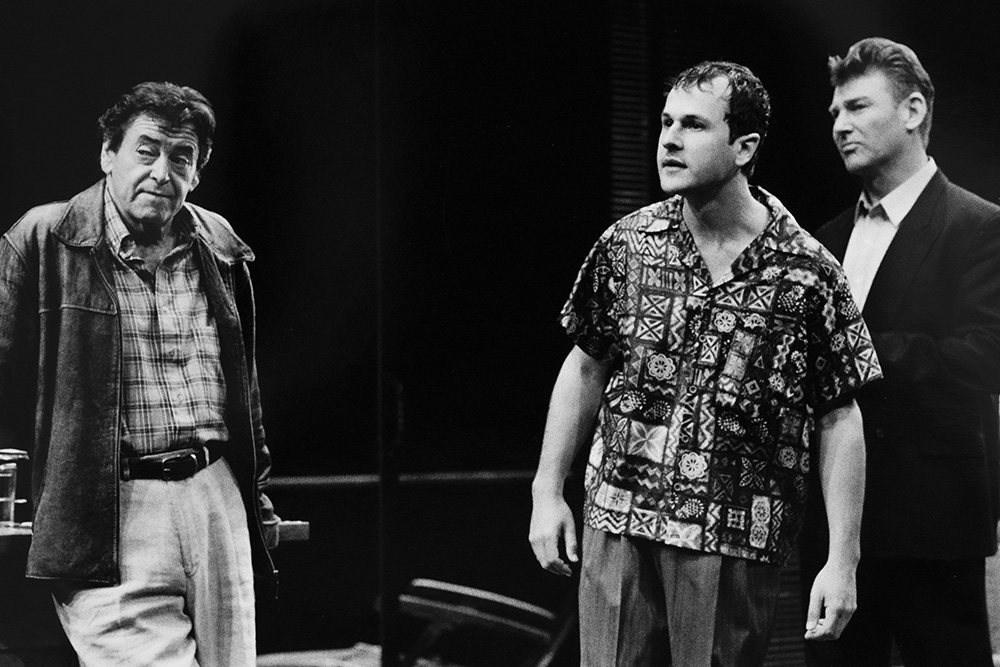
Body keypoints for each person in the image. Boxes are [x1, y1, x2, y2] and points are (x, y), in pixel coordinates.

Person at [528, 60, 881, 666]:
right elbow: (585, 365)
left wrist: (842, 559)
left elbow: (839, 415)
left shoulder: (807, 271)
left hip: (733, 532)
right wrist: (546, 489)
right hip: (620, 518)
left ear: (744, 147)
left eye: (693, 125)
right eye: (666, 122)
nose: (669, 139)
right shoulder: (629, 244)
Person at [0, 81, 279, 665]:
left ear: (197, 171)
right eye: (146, 150)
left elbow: (245, 392)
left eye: (181, 157)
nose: (161, 171)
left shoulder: (219, 245)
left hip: (216, 494)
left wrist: (255, 498)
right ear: (108, 154)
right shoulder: (44, 240)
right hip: (107, 506)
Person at [799, 37, 1000, 667]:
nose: (840, 125)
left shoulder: (980, 225)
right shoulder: (824, 239)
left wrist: (858, 351)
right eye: (835, 112)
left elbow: (988, 355)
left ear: (913, 111)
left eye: (858, 106)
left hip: (933, 525)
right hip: (836, 529)